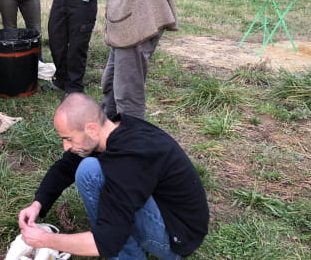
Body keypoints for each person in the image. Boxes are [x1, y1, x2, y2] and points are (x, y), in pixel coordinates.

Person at [17, 93, 209, 259]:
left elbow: (108, 241)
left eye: (68, 138)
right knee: (87, 166)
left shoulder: (129, 158)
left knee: (90, 172)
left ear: (91, 128)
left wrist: (46, 240)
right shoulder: (111, 130)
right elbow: (65, 167)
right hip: (170, 215)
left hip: (176, 240)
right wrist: (37, 204)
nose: (65, 146)